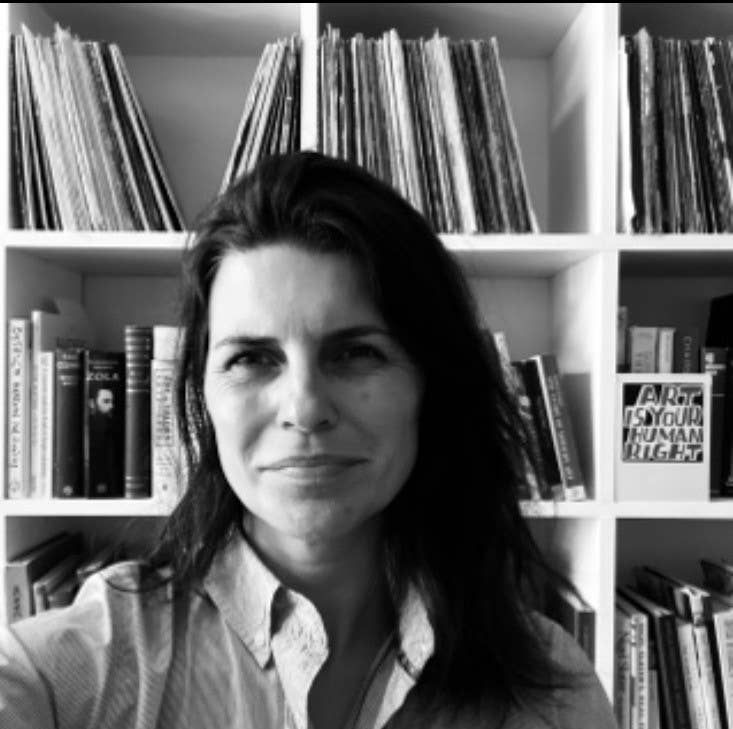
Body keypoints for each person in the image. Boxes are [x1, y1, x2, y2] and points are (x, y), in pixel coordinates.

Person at [0, 152, 616, 729]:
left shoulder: (552, 691)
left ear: (431, 385)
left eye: (356, 353)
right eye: (251, 358)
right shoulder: (83, 666)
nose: (304, 409)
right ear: (203, 395)